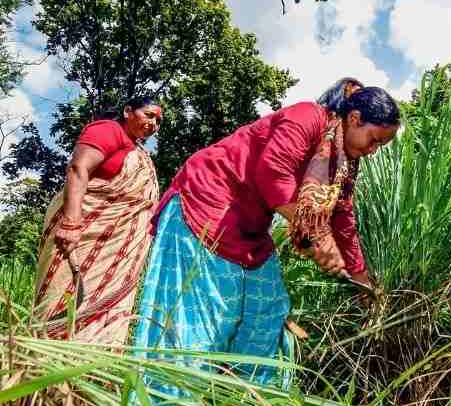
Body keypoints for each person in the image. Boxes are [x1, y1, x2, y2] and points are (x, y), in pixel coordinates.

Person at [131, 78, 400, 389]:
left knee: (267, 310)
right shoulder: (307, 117)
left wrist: (360, 275)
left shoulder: (343, 165)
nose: (373, 150)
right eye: (374, 139)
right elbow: (273, 173)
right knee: (197, 321)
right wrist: (318, 237)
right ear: (355, 120)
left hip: (251, 226)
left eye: (381, 145)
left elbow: (343, 217)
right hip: (209, 204)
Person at [33, 96, 163, 344]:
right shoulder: (109, 130)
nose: (154, 123)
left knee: (105, 309)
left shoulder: (139, 152)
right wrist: (71, 223)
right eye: (149, 115)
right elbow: (78, 169)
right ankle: (41, 365)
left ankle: (88, 373)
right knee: (61, 298)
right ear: (127, 111)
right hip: (81, 234)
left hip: (116, 250)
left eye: (158, 121)